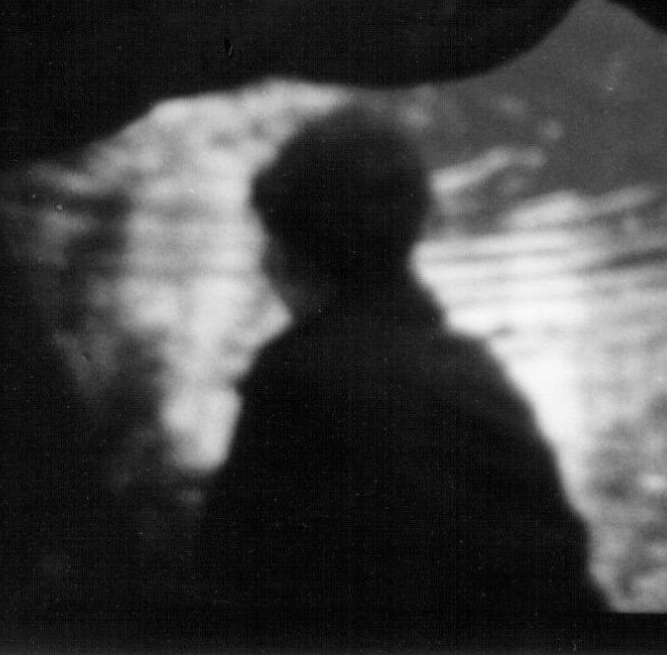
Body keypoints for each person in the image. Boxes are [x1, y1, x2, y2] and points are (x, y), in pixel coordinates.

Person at [192, 106, 606, 635]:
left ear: (285, 256)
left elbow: (229, 573)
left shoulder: (294, 378)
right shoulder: (474, 373)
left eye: (270, 238)